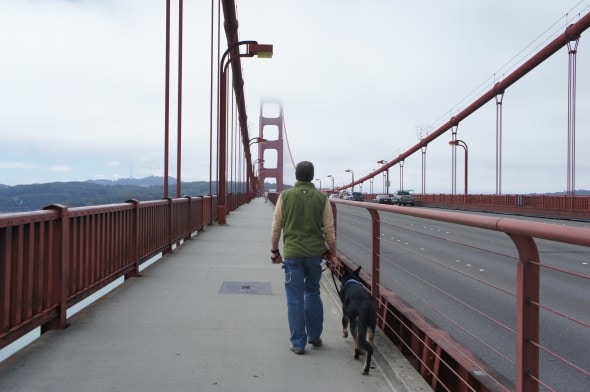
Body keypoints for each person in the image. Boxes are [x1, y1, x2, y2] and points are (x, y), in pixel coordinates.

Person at [270, 161, 338, 355]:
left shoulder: (285, 196)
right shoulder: (321, 198)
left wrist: (275, 251)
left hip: (292, 255)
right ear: (312, 175)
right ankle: (314, 335)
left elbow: (276, 227)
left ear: (297, 176)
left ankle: (298, 343)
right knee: (313, 292)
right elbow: (329, 231)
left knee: (295, 299)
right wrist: (333, 254)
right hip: (314, 255)